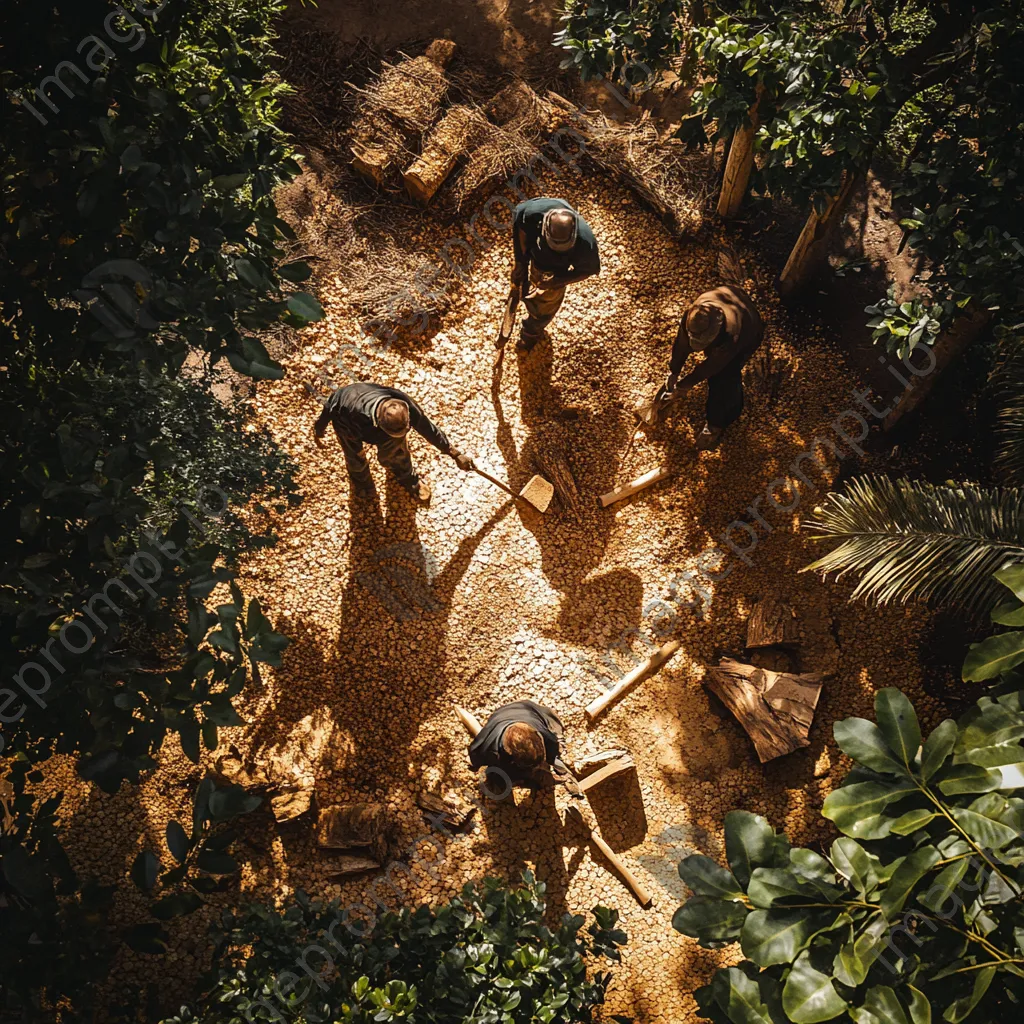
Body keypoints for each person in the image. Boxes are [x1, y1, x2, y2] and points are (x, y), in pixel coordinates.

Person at [314, 382, 474, 502]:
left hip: (375, 427)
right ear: (379, 424)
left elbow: (427, 428)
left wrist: (454, 453)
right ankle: (362, 482)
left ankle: (407, 478)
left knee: (397, 452)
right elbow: (331, 404)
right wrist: (319, 429)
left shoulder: (403, 403)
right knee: (354, 456)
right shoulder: (347, 409)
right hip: (348, 424)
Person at [656, 284, 764, 450]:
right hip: (730, 298)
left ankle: (717, 423)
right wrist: (674, 371)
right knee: (703, 363)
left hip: (749, 332)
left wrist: (684, 385)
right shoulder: (694, 314)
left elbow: (712, 367)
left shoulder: (731, 334)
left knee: (724, 378)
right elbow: (681, 343)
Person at [511, 197, 600, 349]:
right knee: (522, 278)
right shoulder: (531, 213)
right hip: (536, 258)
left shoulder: (585, 242)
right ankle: (524, 290)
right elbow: (520, 226)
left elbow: (588, 271)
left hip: (557, 272)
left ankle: (531, 332)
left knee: (545, 307)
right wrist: (521, 261)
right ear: (544, 226)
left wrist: (557, 281)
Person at [468, 699, 581, 795]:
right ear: (508, 751)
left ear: (537, 735)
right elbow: (475, 754)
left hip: (527, 708)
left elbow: (552, 749)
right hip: (500, 716)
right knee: (499, 779)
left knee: (555, 731)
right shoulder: (490, 745)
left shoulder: (543, 733)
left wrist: (558, 767)